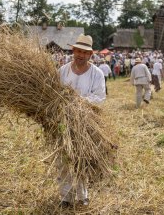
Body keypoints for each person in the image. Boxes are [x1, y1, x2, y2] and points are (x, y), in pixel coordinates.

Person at [58, 34, 106, 208]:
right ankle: (65, 196)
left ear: (90, 54)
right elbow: (55, 94)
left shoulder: (97, 74)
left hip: (86, 123)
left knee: (82, 159)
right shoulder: (63, 71)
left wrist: (78, 103)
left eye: (85, 52)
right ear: (73, 50)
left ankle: (82, 195)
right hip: (63, 122)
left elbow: (100, 98)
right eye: (78, 51)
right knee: (63, 159)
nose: (80, 55)